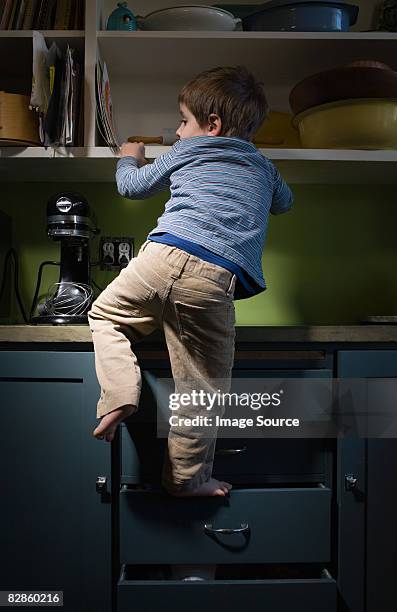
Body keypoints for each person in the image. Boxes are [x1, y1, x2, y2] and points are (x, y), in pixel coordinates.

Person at [87, 65, 293, 497]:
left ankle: (121, 394)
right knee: (202, 387)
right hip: (210, 279)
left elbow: (132, 187)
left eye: (183, 121)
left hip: (159, 258)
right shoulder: (264, 167)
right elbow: (284, 204)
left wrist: (130, 155)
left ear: (211, 126)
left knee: (105, 315)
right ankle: (187, 480)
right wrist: (260, 167)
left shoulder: (186, 152)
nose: (179, 132)